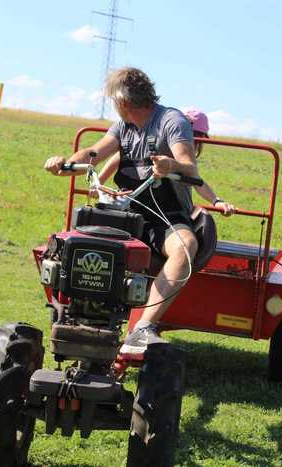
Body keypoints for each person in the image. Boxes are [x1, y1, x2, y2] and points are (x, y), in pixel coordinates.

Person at [44, 67, 200, 354]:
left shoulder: (171, 121)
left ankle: (143, 327)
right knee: (73, 240)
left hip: (164, 216)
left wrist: (169, 165)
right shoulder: (122, 127)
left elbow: (189, 167)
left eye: (113, 101)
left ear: (123, 101)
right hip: (126, 214)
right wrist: (64, 164)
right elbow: (94, 153)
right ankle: (77, 313)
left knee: (185, 246)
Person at [96, 108, 235, 216]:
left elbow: (196, 181)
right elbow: (120, 156)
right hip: (151, 207)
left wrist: (216, 201)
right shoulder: (160, 143)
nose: (189, 141)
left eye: (194, 137)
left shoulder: (182, 157)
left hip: (173, 210)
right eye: (190, 136)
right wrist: (98, 184)